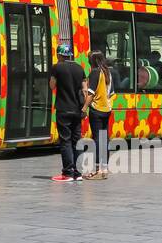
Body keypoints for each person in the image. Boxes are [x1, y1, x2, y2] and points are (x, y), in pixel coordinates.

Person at [50, 43, 87, 183]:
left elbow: (52, 85)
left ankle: (67, 173)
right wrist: (84, 108)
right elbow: (84, 89)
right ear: (70, 54)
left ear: (59, 55)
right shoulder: (79, 68)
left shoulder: (57, 67)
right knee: (76, 141)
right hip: (78, 110)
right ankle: (78, 173)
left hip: (63, 108)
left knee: (65, 141)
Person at [83, 51, 117, 181]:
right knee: (104, 139)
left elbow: (91, 94)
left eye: (89, 59)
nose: (88, 61)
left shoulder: (95, 72)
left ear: (94, 60)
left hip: (96, 109)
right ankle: (104, 169)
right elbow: (112, 93)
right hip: (107, 110)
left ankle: (97, 170)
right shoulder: (107, 72)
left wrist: (84, 107)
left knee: (98, 139)